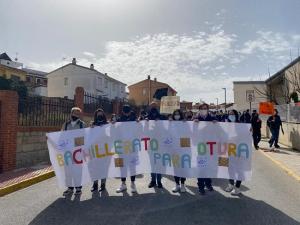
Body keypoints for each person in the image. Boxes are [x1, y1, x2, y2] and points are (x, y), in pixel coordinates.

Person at [62, 107, 86, 196]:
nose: (76, 115)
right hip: (67, 152)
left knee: (77, 170)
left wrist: (74, 144)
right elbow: (61, 136)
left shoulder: (82, 124)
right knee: (68, 170)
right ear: (71, 113)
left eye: (78, 114)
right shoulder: (65, 124)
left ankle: (78, 188)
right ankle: (70, 188)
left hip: (77, 152)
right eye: (74, 113)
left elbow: (84, 137)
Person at [115, 105, 138, 193]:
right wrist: (113, 123)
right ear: (123, 112)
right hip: (121, 146)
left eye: (127, 112)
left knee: (132, 166)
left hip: (132, 146)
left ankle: (133, 184)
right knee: (122, 166)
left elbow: (140, 129)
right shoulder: (119, 119)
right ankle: (123, 184)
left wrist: (139, 122)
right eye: (125, 112)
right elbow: (114, 129)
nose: (126, 113)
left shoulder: (134, 119)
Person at [193, 103, 215, 195]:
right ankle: (201, 186)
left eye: (205, 108)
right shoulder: (195, 118)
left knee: (208, 167)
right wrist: (194, 122)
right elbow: (190, 130)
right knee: (201, 167)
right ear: (199, 109)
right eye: (202, 108)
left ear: (208, 109)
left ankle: (208, 184)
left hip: (210, 147)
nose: (203, 109)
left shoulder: (213, 118)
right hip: (200, 147)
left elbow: (222, 129)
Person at [146, 101, 164, 189]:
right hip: (150, 144)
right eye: (151, 106)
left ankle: (159, 181)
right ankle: (153, 181)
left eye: (154, 106)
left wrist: (160, 121)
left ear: (157, 107)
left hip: (159, 144)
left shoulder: (161, 116)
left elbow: (166, 126)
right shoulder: (147, 116)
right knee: (152, 164)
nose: (153, 107)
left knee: (159, 163)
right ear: (149, 107)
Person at [225, 109, 242, 195]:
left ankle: (237, 187)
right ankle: (231, 184)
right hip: (229, 150)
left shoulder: (241, 125)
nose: (231, 116)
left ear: (236, 115)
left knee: (239, 169)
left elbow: (246, 136)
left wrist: (250, 131)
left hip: (239, 150)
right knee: (230, 168)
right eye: (229, 114)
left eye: (232, 114)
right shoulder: (226, 125)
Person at [90, 108, 108, 192]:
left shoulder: (107, 124)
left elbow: (111, 134)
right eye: (98, 115)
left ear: (103, 115)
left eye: (101, 114)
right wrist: (91, 128)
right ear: (95, 116)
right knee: (95, 167)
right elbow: (89, 136)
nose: (99, 116)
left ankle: (103, 184)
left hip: (104, 148)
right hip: (95, 149)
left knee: (103, 167)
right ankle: (95, 184)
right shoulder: (92, 124)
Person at [170, 109, 187, 193]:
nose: (177, 115)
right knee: (176, 168)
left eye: (178, 114)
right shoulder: (170, 124)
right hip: (174, 150)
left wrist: (186, 123)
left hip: (183, 150)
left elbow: (189, 134)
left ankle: (183, 184)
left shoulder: (185, 123)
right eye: (175, 114)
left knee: (183, 168)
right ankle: (177, 185)